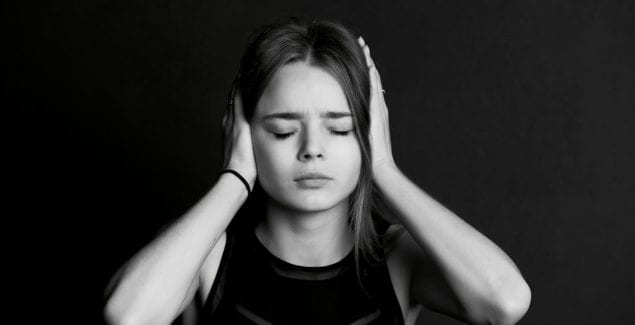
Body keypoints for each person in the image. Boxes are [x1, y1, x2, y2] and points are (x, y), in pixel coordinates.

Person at [104, 18, 531, 325]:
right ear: (246, 134)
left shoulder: (397, 259)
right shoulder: (209, 254)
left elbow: (505, 301)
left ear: (367, 133)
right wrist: (233, 177)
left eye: (339, 128)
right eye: (285, 131)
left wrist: (383, 167)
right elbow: (127, 315)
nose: (312, 151)